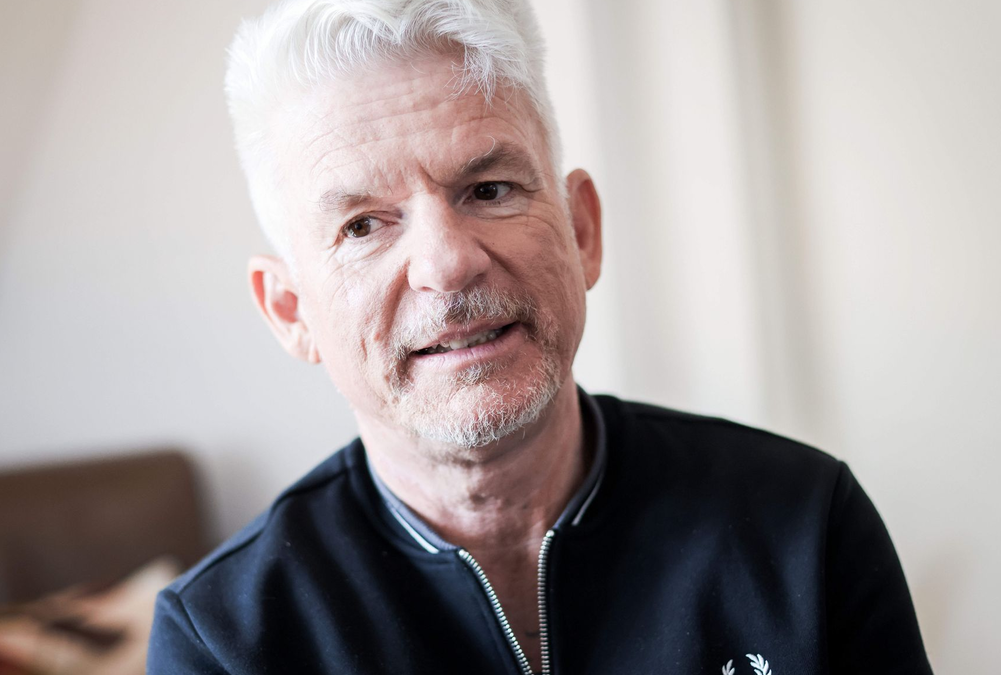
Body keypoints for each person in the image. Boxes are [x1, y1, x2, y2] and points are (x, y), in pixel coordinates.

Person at [148, 1, 932, 673]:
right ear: (290, 309)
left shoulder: (803, 524)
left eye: (488, 189)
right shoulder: (225, 641)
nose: (447, 263)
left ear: (582, 230)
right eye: (363, 225)